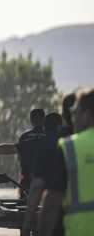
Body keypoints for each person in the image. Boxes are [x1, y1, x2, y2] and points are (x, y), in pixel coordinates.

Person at [39, 89, 94, 236]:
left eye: (75, 112)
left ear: (87, 115)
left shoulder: (70, 147)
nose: (72, 118)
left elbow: (51, 202)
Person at [22, 95, 77, 236]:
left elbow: (38, 188)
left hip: (60, 218)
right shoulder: (80, 142)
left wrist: (28, 222)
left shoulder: (49, 144)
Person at [0, 109, 48, 197]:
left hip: (28, 183)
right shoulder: (50, 136)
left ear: (31, 121)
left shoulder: (25, 137)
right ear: (44, 120)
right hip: (48, 184)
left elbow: (15, 156)